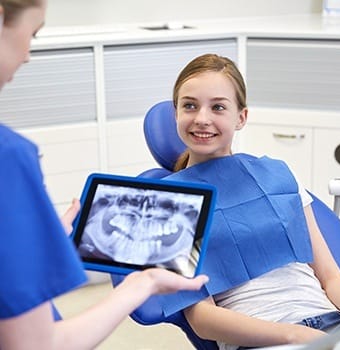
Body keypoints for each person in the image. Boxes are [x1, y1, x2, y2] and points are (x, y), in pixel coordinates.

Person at [0, 1, 209, 349]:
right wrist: (140, 286)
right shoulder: (10, 157)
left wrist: (29, 236)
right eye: (32, 35)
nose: (27, 56)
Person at [157, 53, 340, 349]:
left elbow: (331, 279)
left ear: (241, 117)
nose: (202, 118)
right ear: (176, 114)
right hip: (266, 339)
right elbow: (201, 317)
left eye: (218, 107)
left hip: (331, 324)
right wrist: (296, 335)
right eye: (189, 106)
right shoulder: (167, 203)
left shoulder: (278, 176)